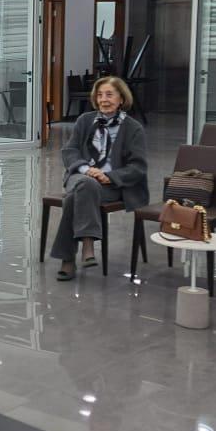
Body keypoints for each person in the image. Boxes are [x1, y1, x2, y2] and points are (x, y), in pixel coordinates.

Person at [51, 76, 148, 281]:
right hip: (80, 176)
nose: (104, 99)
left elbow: (138, 167)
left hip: (110, 185)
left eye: (109, 95)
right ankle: (88, 243)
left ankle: (68, 259)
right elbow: (69, 151)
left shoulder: (133, 128)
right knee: (86, 184)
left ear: (121, 99)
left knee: (74, 198)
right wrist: (87, 169)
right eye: (100, 95)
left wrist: (108, 176)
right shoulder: (85, 120)